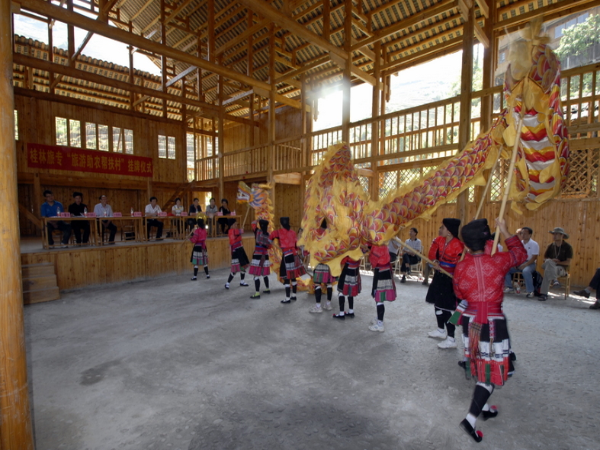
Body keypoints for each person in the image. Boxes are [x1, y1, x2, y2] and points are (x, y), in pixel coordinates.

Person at [452, 218, 527, 443]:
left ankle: (483, 407)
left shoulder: (461, 266)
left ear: (466, 245)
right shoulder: (499, 261)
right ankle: (470, 420)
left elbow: (460, 293)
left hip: (471, 320)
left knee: (481, 363)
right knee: (489, 373)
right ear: (487, 242)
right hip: (491, 322)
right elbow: (520, 255)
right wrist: (505, 230)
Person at [425, 218, 464, 349]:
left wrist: (446, 268)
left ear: (449, 231)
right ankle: (441, 330)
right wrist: (435, 262)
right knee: (437, 304)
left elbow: (460, 264)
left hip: (450, 279)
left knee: (446, 308)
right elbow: (431, 255)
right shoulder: (438, 240)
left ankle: (451, 338)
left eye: (443, 227)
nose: (440, 229)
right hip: (439, 276)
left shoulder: (459, 245)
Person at [270, 217, 306, 304]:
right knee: (293, 276)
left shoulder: (278, 232)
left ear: (281, 223)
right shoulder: (293, 232)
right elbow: (296, 245)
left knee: (286, 277)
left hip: (286, 256)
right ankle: (294, 295)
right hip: (294, 255)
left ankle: (287, 298)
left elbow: (269, 238)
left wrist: (273, 244)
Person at [538, 227, 573, 301]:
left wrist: (556, 262)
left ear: (562, 235)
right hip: (549, 265)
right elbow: (545, 259)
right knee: (549, 262)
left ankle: (544, 294)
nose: (554, 236)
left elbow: (568, 262)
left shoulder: (568, 247)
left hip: (561, 268)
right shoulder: (551, 246)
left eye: (556, 234)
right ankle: (555, 280)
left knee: (547, 271)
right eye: (553, 234)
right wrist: (552, 261)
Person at [310, 219, 336, 313]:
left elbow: (311, 247)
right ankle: (328, 304)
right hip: (329, 264)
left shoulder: (316, 233)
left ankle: (318, 307)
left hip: (318, 263)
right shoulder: (332, 234)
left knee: (317, 284)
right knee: (329, 284)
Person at [369, 244, 396, 332]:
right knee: (379, 297)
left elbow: (373, 261)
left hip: (381, 271)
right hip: (385, 270)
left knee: (379, 298)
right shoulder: (383, 244)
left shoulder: (378, 245)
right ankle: (379, 319)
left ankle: (380, 324)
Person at [503, 227, 539, 297]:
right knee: (506, 268)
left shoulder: (534, 244)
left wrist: (525, 265)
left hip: (530, 263)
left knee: (526, 271)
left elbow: (534, 258)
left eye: (525, 233)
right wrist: (514, 263)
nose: (523, 235)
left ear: (530, 235)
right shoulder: (519, 243)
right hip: (520, 262)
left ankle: (530, 291)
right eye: (522, 233)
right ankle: (509, 287)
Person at [248, 220, 272, 299]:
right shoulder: (268, 234)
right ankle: (267, 288)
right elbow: (269, 246)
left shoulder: (257, 231)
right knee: (264, 274)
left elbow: (253, 224)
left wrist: (258, 219)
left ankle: (257, 293)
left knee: (256, 274)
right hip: (265, 255)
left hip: (258, 255)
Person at [334, 255, 361, 320]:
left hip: (347, 269)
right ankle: (351, 311)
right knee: (350, 291)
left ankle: (341, 314)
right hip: (355, 269)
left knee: (341, 291)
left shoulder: (348, 249)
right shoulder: (358, 248)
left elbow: (342, 260)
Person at [225, 219, 249, 289]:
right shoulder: (231, 231)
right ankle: (227, 283)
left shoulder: (235, 230)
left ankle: (242, 281)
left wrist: (241, 230)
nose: (236, 225)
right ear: (231, 225)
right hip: (236, 251)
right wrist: (241, 230)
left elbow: (239, 232)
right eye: (235, 224)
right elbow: (238, 232)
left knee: (243, 266)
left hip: (240, 249)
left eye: (236, 224)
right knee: (234, 269)